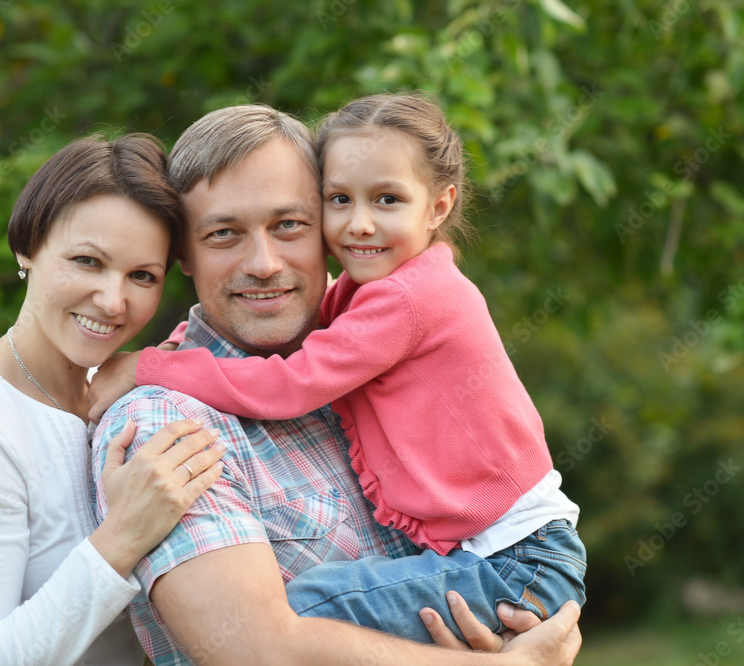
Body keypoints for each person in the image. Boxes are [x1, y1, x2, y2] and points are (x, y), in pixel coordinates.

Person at [88, 104, 582, 665]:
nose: (265, 264)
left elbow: (291, 380)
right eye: (224, 233)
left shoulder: (357, 346)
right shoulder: (167, 424)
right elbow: (258, 654)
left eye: (289, 224)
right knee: (298, 616)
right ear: (182, 252)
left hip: (515, 557)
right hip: (517, 558)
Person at [0, 133, 225, 665]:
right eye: (88, 261)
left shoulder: (117, 391)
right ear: (29, 244)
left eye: (142, 276)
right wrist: (121, 538)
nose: (114, 301)